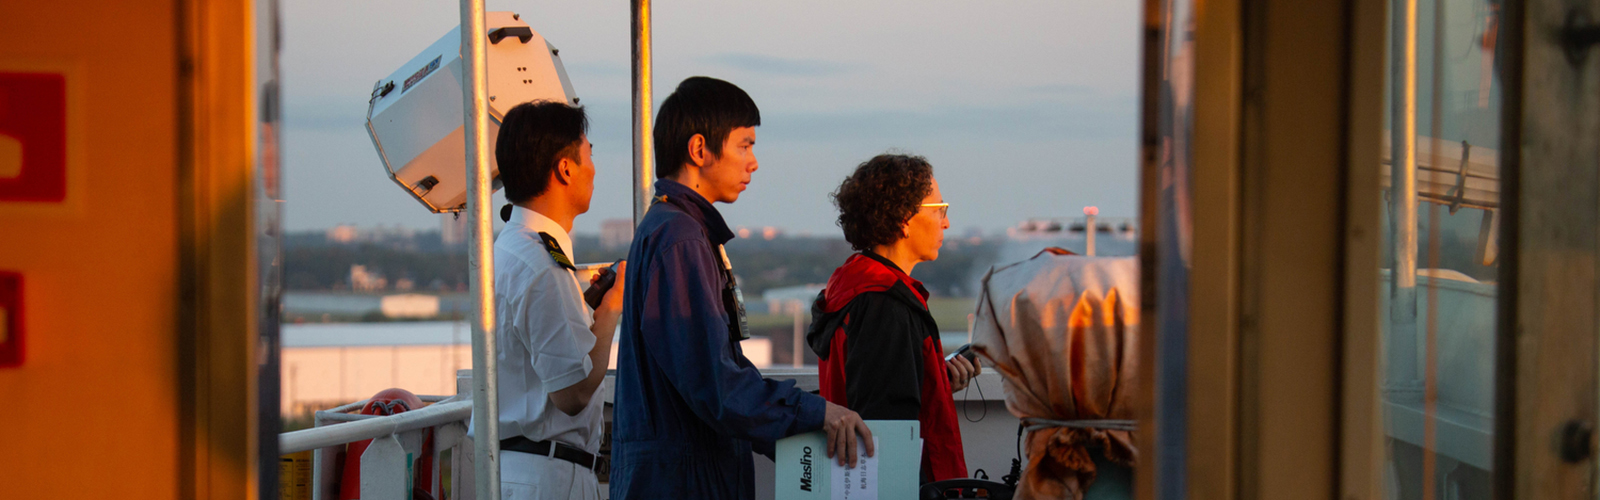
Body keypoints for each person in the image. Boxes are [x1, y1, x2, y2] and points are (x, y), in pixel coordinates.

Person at [608, 76, 875, 500]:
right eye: (744, 145)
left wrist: (796, 424)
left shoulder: (674, 229)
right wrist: (815, 412)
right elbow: (715, 384)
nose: (753, 162)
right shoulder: (680, 238)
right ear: (700, 150)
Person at [469, 100, 624, 500]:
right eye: (589, 154)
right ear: (565, 168)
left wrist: (587, 303)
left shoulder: (512, 249)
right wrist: (610, 311)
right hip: (548, 477)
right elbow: (571, 395)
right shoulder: (543, 265)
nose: (594, 168)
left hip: (516, 468)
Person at [807, 153, 978, 483]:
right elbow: (888, 430)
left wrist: (933, 380)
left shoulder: (851, 286)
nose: (946, 222)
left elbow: (872, 388)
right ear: (904, 218)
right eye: (939, 209)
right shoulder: (884, 303)